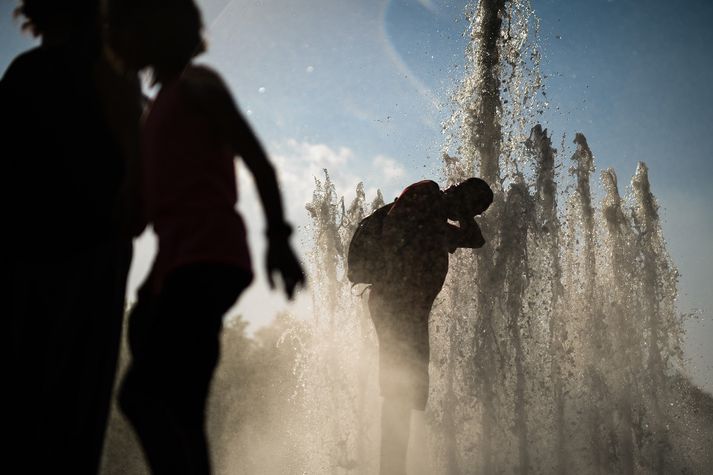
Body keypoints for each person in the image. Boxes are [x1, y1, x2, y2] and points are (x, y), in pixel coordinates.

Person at [104, 1, 305, 473]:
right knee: (183, 411)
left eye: (120, 25)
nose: (110, 36)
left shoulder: (198, 83)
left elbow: (257, 158)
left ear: (155, 30)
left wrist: (278, 236)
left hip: (207, 257)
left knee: (140, 397)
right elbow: (135, 215)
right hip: (176, 265)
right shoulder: (150, 113)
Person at [2, 1, 142, 473]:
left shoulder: (29, 72)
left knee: (29, 411)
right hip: (89, 256)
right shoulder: (108, 72)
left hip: (39, 257)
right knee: (71, 416)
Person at [366, 178, 493, 475]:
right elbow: (396, 229)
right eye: (473, 206)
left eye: (478, 211)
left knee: (410, 389)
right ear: (460, 193)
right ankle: (391, 470)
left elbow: (476, 240)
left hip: (411, 310)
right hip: (395, 303)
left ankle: (395, 467)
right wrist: (457, 206)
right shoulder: (426, 193)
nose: (472, 214)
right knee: (399, 386)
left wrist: (463, 213)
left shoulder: (437, 221)